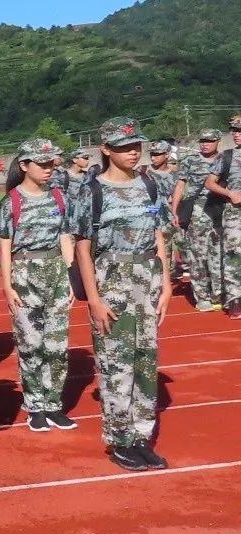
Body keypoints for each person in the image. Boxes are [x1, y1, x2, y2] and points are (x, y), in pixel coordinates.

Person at [74, 117, 171, 472]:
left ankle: (140, 436)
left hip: (147, 277)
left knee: (146, 359)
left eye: (136, 145)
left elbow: (161, 235)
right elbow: (83, 249)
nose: (132, 151)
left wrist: (166, 285)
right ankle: (119, 439)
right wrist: (94, 298)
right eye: (123, 146)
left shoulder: (151, 185)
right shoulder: (92, 191)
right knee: (116, 362)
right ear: (106, 149)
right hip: (111, 279)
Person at [0, 139, 78, 432]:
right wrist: (7, 285)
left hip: (56, 270)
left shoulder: (59, 197)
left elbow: (66, 236)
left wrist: (70, 276)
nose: (48, 169)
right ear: (24, 165)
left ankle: (54, 404)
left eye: (51, 163)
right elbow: (4, 245)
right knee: (31, 344)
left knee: (57, 345)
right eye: (41, 164)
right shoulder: (11, 202)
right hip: (24, 273)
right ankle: (35, 405)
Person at [172, 129, 223, 311]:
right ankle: (202, 296)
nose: (205, 144)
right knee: (197, 254)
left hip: (220, 208)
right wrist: (174, 210)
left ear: (217, 141)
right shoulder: (190, 161)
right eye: (202, 140)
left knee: (219, 252)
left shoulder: (225, 159)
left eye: (209, 141)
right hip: (198, 208)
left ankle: (219, 293)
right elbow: (180, 185)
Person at [204, 115, 241, 319]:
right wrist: (230, 194)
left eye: (240, 131)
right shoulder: (226, 156)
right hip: (234, 212)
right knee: (234, 254)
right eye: (234, 130)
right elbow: (210, 183)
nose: (236, 134)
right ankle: (235, 298)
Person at [146, 141, 183, 280]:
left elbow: (178, 195)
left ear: (167, 154)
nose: (153, 158)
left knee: (174, 248)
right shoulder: (144, 173)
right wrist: (152, 214)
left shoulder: (175, 175)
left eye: (157, 154)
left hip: (170, 218)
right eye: (152, 154)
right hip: (152, 217)